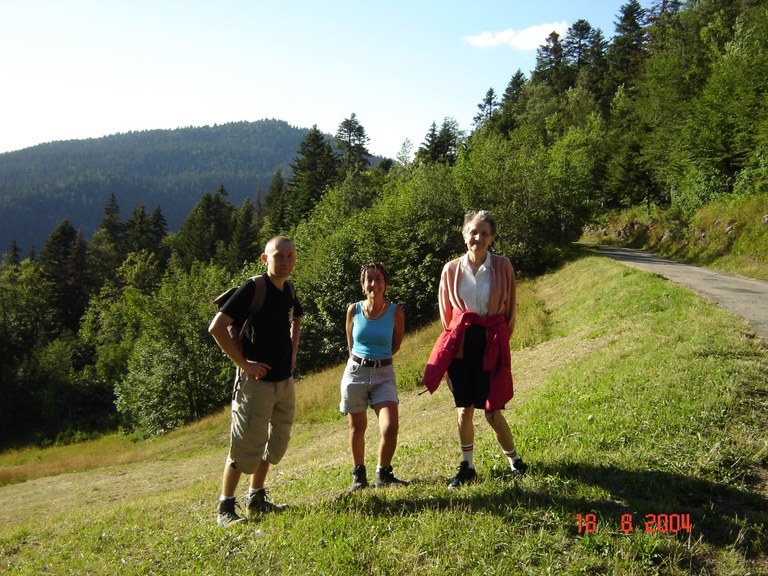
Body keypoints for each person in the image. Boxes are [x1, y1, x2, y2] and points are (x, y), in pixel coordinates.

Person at [422, 210, 527, 488]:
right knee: (464, 408)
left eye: (484, 233)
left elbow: (509, 310)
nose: (477, 238)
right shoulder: (451, 269)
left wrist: (500, 341)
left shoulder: (503, 267)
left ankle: (515, 461)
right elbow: (446, 314)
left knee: (492, 409)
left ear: (492, 238)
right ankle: (467, 466)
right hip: (461, 345)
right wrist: (458, 339)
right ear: (464, 235)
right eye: (473, 232)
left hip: (491, 341)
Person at [208, 236, 303, 526]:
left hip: (283, 382)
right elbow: (217, 327)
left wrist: (293, 351)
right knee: (245, 444)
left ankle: (256, 498)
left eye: (290, 256)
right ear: (265, 259)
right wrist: (245, 364)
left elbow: (297, 317)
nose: (285, 261)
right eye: (279, 256)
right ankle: (225, 507)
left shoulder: (289, 289)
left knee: (273, 444)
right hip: (255, 385)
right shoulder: (254, 288)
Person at [340, 262, 409, 491]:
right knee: (357, 428)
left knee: (390, 427)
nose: (374, 284)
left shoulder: (396, 313)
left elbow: (395, 345)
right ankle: (359, 475)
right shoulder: (353, 310)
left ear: (385, 283)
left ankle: (383, 473)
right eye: (369, 279)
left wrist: (378, 361)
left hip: (384, 374)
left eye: (378, 278)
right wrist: (361, 362)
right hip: (356, 373)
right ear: (363, 285)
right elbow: (350, 344)